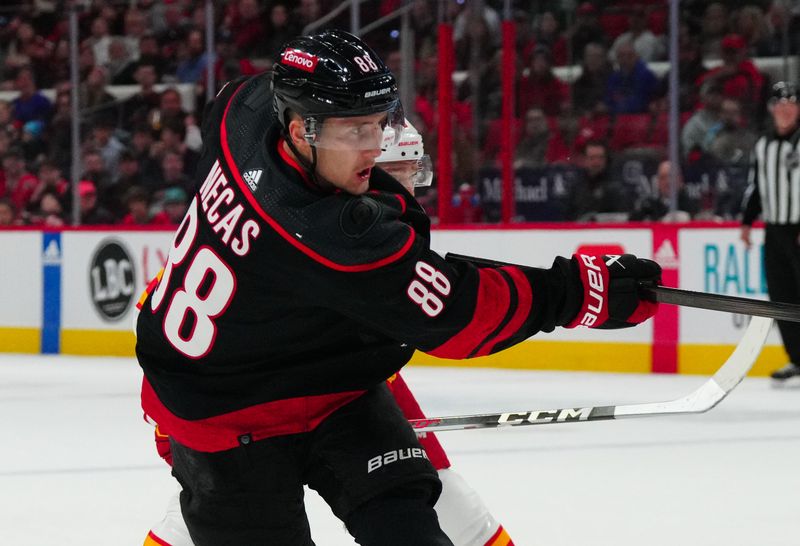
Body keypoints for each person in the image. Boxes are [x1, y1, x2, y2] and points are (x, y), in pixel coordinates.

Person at [135, 30, 661, 546]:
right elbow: (459, 312)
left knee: (410, 526)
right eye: (354, 132)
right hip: (226, 418)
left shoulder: (243, 111)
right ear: (300, 130)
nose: (374, 148)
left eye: (376, 125)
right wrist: (581, 292)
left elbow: (227, 114)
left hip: (329, 387)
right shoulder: (323, 235)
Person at [143, 122, 514, 546]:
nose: (409, 187)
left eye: (414, 172)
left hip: (339, 395)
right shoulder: (298, 229)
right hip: (245, 414)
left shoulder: (362, 227)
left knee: (444, 502)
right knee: (205, 510)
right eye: (398, 171)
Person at [741, 81, 800, 382]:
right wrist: (746, 222)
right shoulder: (763, 145)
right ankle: (797, 358)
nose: (784, 109)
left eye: (789, 103)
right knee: (782, 297)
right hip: (775, 231)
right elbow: (757, 188)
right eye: (779, 104)